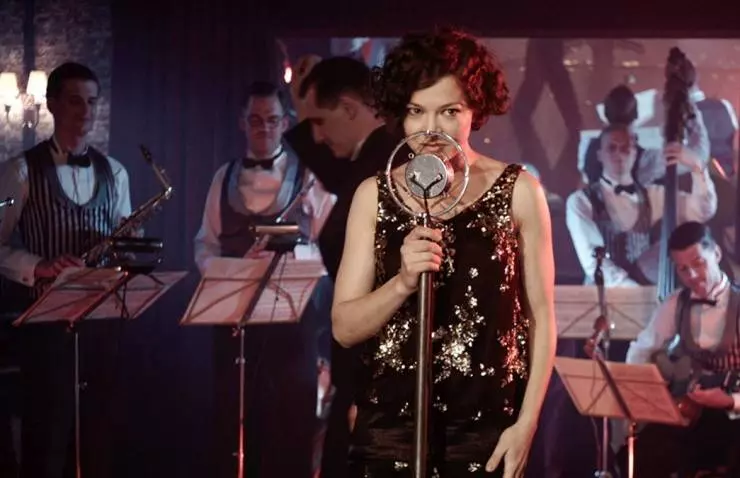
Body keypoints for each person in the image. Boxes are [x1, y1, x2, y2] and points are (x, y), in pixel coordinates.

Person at [332, 27, 557, 477]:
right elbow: (344, 327)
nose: (431, 129)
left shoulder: (519, 192)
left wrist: (527, 423)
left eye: (449, 111)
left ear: (475, 110)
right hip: (390, 429)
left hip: (485, 430)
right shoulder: (374, 195)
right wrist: (401, 283)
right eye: (417, 112)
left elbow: (541, 318)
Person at [193, 80, 336, 478]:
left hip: (293, 325)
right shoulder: (223, 176)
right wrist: (233, 270)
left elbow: (330, 249)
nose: (264, 128)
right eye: (255, 120)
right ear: (242, 122)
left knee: (290, 431)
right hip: (236, 324)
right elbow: (204, 245)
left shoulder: (310, 179)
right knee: (237, 428)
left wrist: (289, 259)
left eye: (272, 120)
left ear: (285, 122)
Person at [0, 62, 132, 478]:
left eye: (92, 102)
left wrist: (126, 254)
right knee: (46, 442)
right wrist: (39, 266)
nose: (86, 112)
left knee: (98, 441)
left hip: (101, 326)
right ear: (53, 104)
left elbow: (126, 244)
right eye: (76, 101)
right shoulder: (19, 171)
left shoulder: (117, 172)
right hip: (46, 330)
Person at [284, 55, 406, 478]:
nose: (317, 136)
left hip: (374, 369)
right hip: (358, 364)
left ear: (351, 109)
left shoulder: (387, 163)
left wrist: (368, 390)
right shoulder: (368, 159)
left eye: (321, 121)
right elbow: (332, 169)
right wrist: (305, 109)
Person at [621, 221, 740, 477]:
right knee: (637, 455)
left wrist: (731, 400)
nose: (692, 275)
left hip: (735, 414)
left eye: (699, 263)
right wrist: (642, 396)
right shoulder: (676, 302)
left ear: (717, 253)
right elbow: (640, 350)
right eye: (683, 269)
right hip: (692, 412)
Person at [566, 122, 717, 286]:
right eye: (611, 148)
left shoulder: (652, 195)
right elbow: (592, 260)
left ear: (635, 153)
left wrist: (698, 168)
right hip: (600, 293)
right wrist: (631, 289)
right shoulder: (580, 201)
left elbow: (703, 210)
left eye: (625, 148)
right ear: (600, 155)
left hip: (645, 292)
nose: (619, 154)